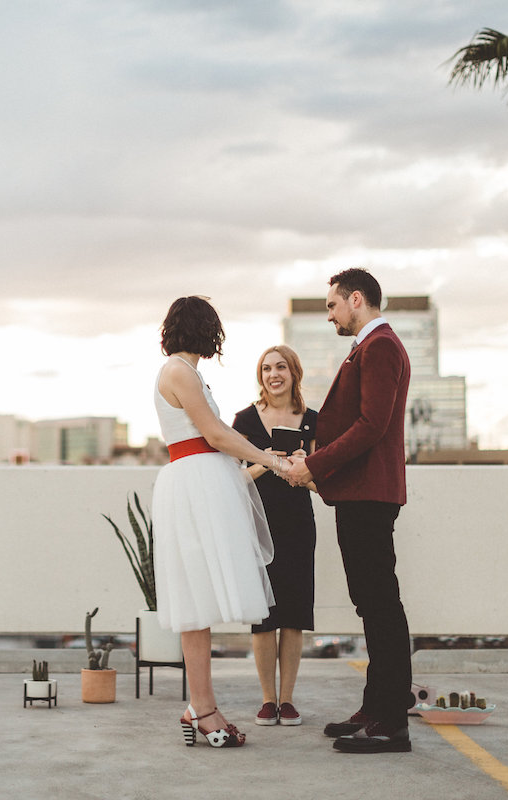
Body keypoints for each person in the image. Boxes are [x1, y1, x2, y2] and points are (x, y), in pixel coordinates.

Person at [152, 296, 293, 749]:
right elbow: (214, 434)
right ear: (204, 329)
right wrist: (268, 458)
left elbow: (214, 435)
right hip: (196, 484)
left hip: (202, 482)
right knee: (196, 603)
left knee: (200, 604)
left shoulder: (186, 371)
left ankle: (201, 705)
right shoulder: (177, 370)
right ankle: (203, 708)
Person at [286, 268, 413, 754]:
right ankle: (376, 708)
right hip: (363, 492)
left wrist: (314, 466)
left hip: (368, 494)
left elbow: (370, 426)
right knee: (372, 603)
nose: (331, 315)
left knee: (380, 606)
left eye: (333, 306)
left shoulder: (379, 346)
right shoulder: (374, 345)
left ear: (356, 299)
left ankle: (391, 722)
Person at [231, 345, 317, 728]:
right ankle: (268, 701)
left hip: (299, 525)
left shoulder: (314, 420)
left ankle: (288, 700)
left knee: (294, 616)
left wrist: (302, 465)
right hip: (257, 523)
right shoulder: (245, 420)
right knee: (263, 617)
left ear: (294, 372)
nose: (273, 374)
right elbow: (232, 479)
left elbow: (321, 483)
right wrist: (268, 461)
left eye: (281, 367)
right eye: (266, 368)